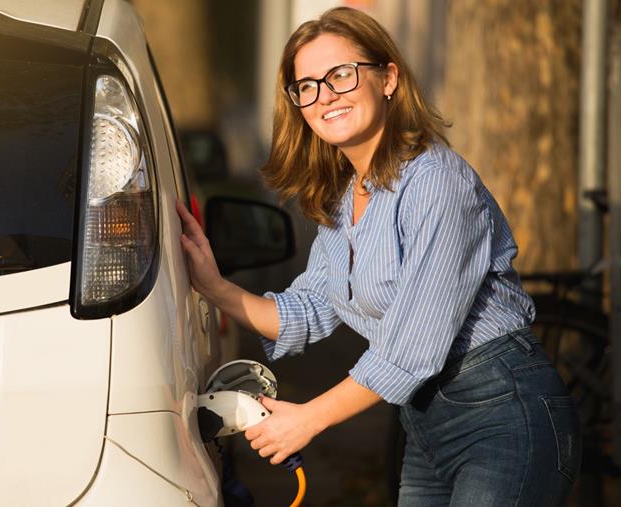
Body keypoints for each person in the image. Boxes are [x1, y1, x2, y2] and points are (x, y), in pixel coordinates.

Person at [176, 6, 581, 506]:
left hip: (502, 417)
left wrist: (308, 419)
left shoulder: (437, 183)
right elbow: (307, 311)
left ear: (388, 78)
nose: (325, 96)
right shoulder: (345, 200)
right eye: (307, 86)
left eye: (341, 75)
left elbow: (411, 349)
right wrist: (214, 287)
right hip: (424, 423)